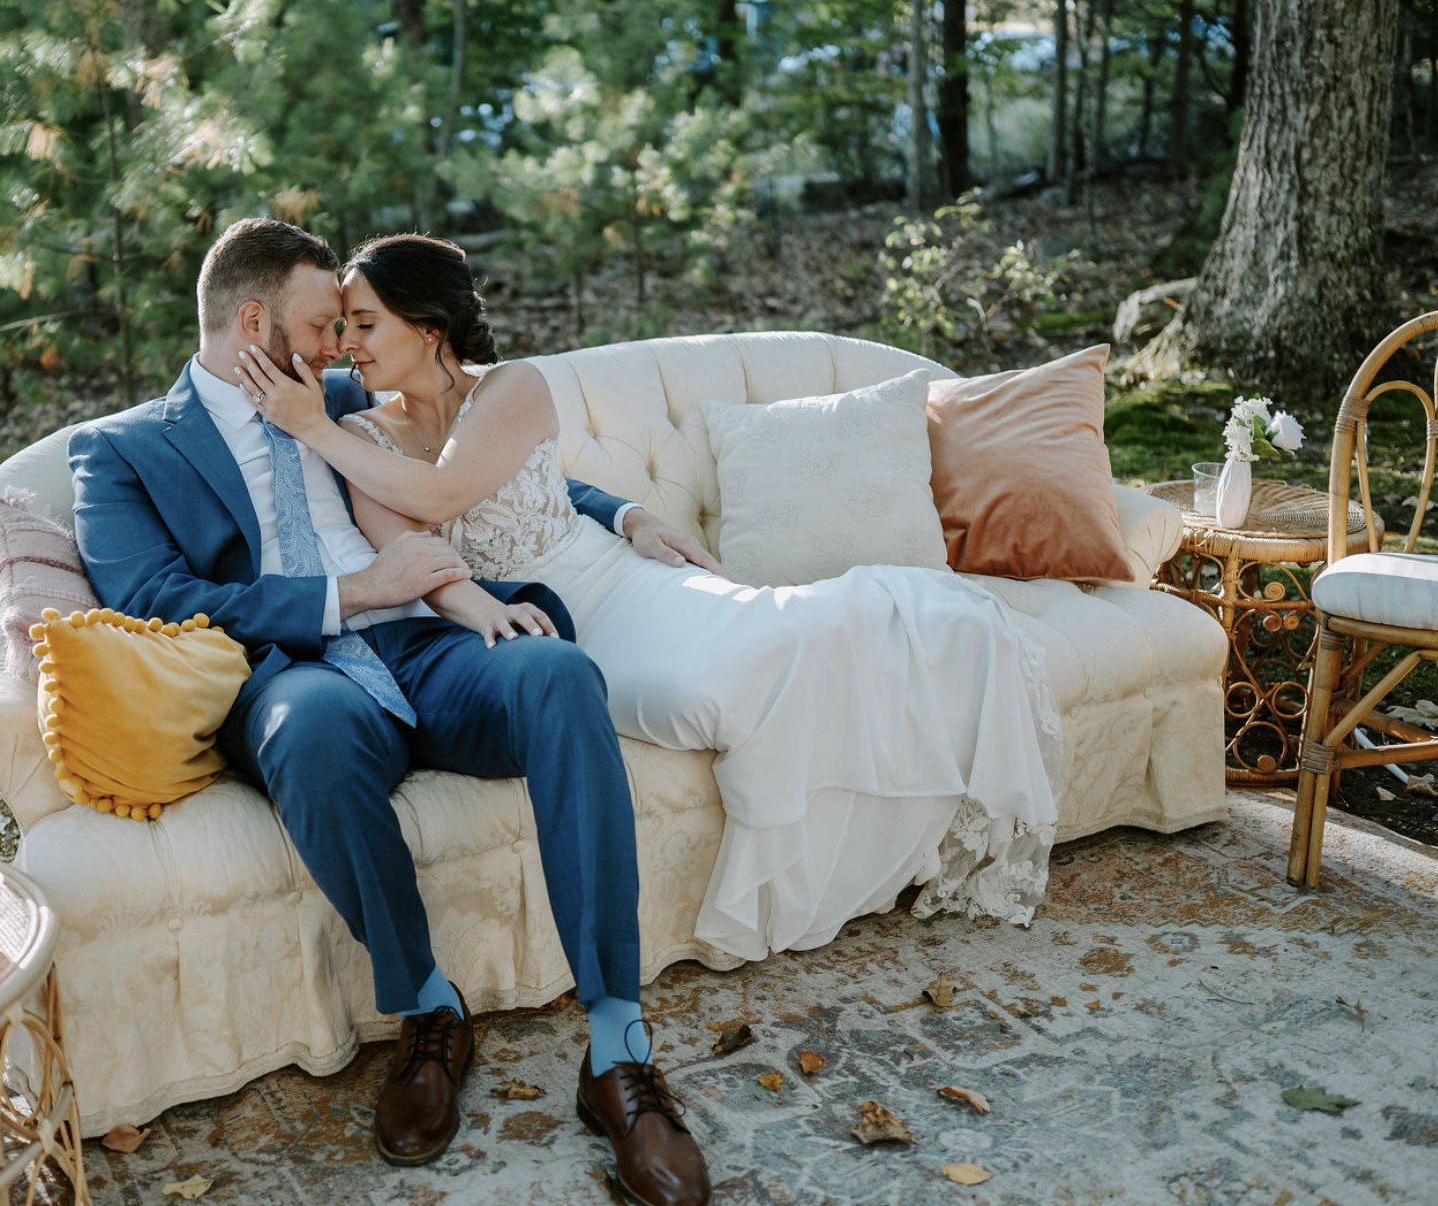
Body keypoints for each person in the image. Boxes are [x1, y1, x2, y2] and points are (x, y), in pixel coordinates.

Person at [68, 218, 712, 1206]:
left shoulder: (337, 399)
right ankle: (428, 1010)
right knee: (310, 732)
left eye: (346, 329)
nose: (339, 347)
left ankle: (618, 1051)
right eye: (323, 325)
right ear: (252, 323)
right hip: (303, 668)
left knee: (557, 673)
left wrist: (618, 510)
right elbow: (153, 599)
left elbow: (471, 462)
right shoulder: (120, 454)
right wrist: (351, 596)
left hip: (432, 644)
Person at [237, 233, 1064, 964]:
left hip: (616, 580)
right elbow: (411, 550)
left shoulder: (513, 389)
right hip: (557, 629)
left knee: (776, 640)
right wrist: (469, 601)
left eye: (365, 322)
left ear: (429, 329)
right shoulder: (360, 437)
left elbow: (451, 490)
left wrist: (626, 514)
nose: (346, 343)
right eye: (341, 324)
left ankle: (910, 645)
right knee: (700, 697)